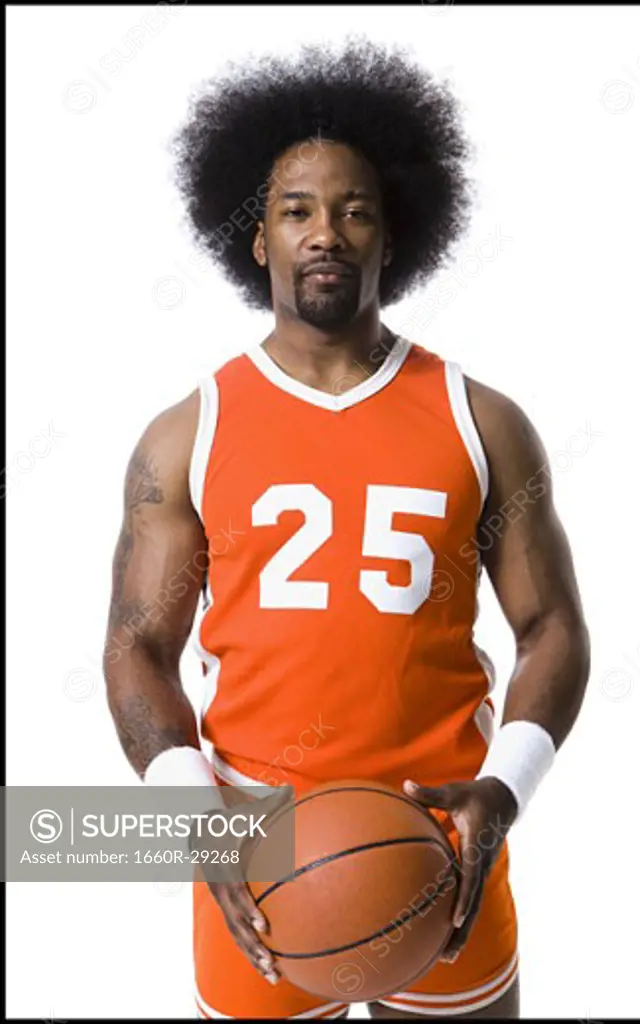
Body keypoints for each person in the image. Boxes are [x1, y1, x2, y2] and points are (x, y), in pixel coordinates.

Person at [103, 37, 590, 1020]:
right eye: (297, 211)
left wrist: (505, 788)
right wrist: (197, 816)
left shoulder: (481, 417)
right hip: (258, 845)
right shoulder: (187, 431)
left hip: (448, 831)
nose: (325, 231)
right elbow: (136, 646)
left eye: (354, 210)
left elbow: (553, 629)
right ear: (258, 239)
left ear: (391, 238)